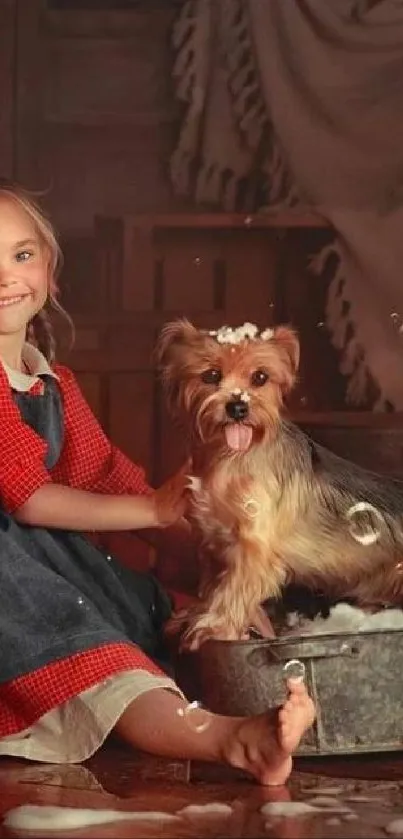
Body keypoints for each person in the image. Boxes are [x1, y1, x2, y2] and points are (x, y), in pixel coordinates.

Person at [0, 180, 315, 785]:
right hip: (11, 574)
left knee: (166, 614)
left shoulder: (52, 383)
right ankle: (231, 741)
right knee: (84, 646)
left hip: (52, 561)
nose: (9, 274)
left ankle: (261, 698)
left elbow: (103, 475)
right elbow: (31, 499)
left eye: (23, 254)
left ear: (51, 272)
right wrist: (155, 506)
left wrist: (212, 553)